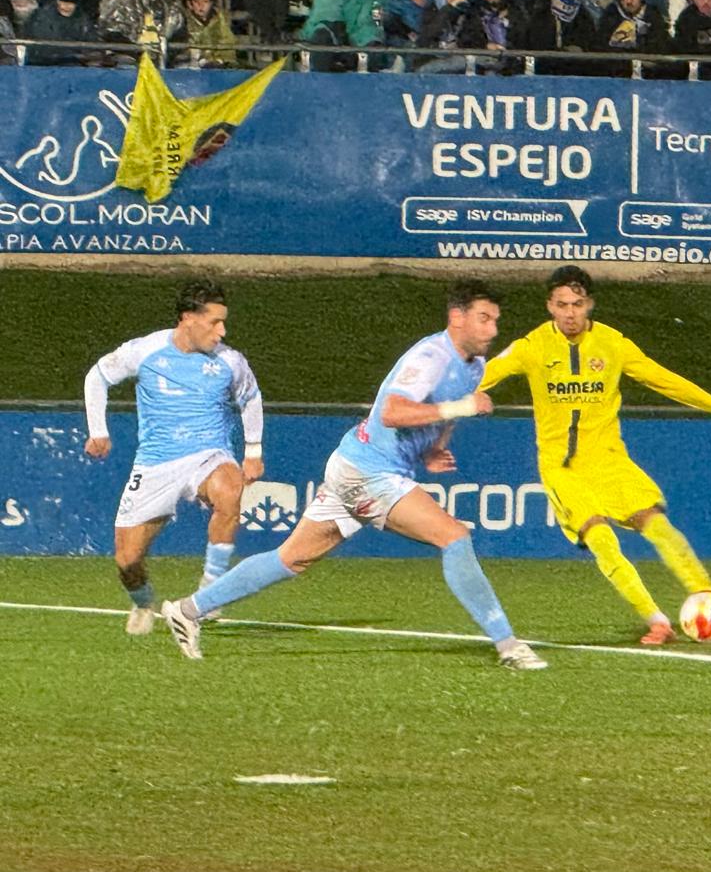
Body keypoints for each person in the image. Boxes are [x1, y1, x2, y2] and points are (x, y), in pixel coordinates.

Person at [160, 280, 547, 671]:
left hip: (356, 465)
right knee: (454, 536)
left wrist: (433, 448)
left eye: (496, 320)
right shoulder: (431, 356)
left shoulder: (474, 365)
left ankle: (187, 610)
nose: (492, 330)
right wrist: (460, 407)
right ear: (457, 318)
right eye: (483, 318)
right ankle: (509, 646)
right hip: (369, 471)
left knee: (291, 559)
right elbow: (392, 412)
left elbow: (436, 413)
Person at [478, 266, 711, 647]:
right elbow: (483, 375)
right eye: (562, 305)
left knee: (661, 529)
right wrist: (453, 400)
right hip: (563, 470)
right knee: (602, 540)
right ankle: (656, 620)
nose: (570, 313)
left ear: (589, 304)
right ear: (549, 306)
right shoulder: (532, 347)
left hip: (611, 462)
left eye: (577, 304)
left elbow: (663, 379)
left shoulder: (613, 344)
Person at [83, 280, 264, 637]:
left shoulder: (230, 361)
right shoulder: (145, 350)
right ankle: (143, 601)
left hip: (209, 454)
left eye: (223, 322)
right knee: (127, 560)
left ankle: (210, 593)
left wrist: (253, 453)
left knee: (230, 489)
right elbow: (97, 376)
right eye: (214, 322)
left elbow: (251, 398)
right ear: (187, 319)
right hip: (156, 463)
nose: (222, 331)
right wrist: (98, 430)